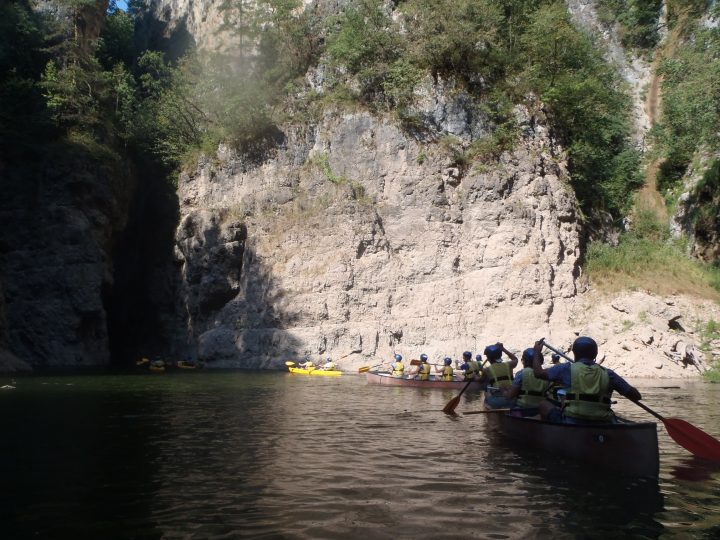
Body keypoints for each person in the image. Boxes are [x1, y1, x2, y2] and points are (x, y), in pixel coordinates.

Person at [531, 337, 642, 424]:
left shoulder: (566, 369)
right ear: (595, 354)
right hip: (602, 421)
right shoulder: (608, 374)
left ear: (574, 353)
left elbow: (537, 373)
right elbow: (636, 396)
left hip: (573, 420)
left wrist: (537, 351)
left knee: (544, 404)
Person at [504, 348, 553, 416]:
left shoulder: (521, 373)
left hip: (523, 408)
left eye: (523, 360)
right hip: (540, 409)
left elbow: (510, 396)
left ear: (526, 361)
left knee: (508, 402)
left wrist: (504, 391)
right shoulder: (546, 375)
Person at [480, 342, 519, 408]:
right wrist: (503, 349)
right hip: (513, 399)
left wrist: (476, 375)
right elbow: (515, 359)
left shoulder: (487, 370)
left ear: (488, 358)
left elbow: (480, 380)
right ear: (500, 355)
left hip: (497, 401)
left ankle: (488, 409)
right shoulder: (509, 364)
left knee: (486, 391)